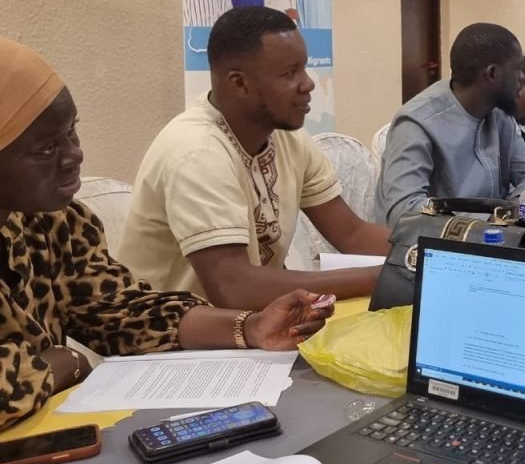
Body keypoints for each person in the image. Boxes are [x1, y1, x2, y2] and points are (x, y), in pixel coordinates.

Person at [0, 36, 333, 431]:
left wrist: (251, 327)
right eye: (46, 149)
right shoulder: (194, 148)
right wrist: (64, 362)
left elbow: (120, 312)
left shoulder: (55, 223)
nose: (75, 154)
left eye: (72, 131)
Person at [119, 8, 390, 309]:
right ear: (239, 83)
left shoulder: (289, 138)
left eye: (304, 68)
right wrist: (379, 278)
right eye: (289, 74)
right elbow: (235, 289)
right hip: (164, 333)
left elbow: (352, 233)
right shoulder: (195, 152)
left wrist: (425, 253)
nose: (308, 83)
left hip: (248, 324)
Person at [375, 23, 525, 235]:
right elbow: (402, 213)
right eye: (516, 69)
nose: (522, 78)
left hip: (495, 241)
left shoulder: (500, 114)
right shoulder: (418, 122)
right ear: (492, 74)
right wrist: (501, 217)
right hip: (431, 250)